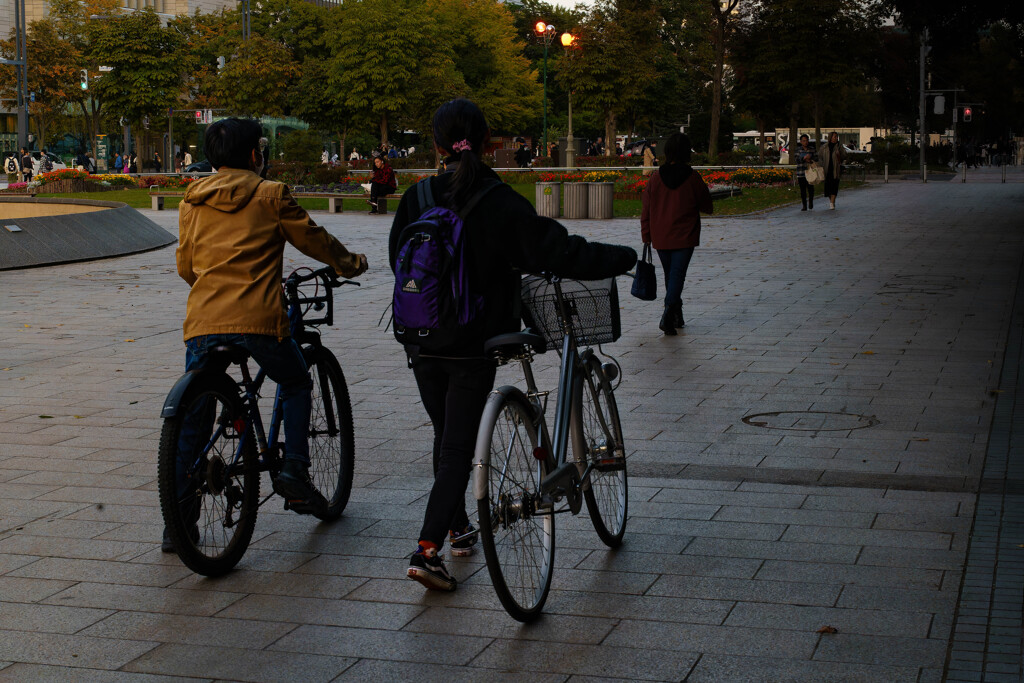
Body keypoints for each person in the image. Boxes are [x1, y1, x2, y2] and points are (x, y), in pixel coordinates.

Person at [389, 98, 636, 592]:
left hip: (419, 338)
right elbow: (559, 251)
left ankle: (459, 527)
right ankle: (427, 548)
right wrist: (622, 256)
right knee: (458, 443)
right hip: (473, 341)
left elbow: (398, 256)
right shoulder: (498, 199)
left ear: (436, 145)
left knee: (447, 435)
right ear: (486, 142)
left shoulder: (416, 198)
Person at [168, 117, 368, 552]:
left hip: (203, 321)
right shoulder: (270, 194)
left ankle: (178, 525)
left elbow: (186, 266)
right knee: (296, 379)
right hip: (259, 320)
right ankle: (294, 469)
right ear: (256, 154)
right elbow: (313, 240)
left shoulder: (191, 200)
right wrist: (349, 262)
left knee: (193, 417)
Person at [640, 132, 713, 336]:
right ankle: (667, 314)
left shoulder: (655, 178)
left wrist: (646, 235)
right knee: (677, 276)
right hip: (685, 235)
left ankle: (676, 315)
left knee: (671, 275)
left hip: (661, 236)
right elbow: (707, 205)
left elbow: (645, 210)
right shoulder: (692, 177)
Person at [820, 131, 845, 210]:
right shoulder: (824, 147)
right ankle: (831, 201)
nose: (836, 138)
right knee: (828, 188)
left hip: (835, 169)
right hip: (827, 169)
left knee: (834, 186)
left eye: (836, 137)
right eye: (834, 136)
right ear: (830, 137)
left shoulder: (839, 146)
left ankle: (832, 203)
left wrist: (840, 154)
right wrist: (821, 165)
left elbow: (845, 156)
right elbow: (820, 157)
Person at [794, 134, 817, 211]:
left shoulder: (812, 149)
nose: (805, 142)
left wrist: (810, 159)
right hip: (801, 172)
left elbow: (816, 158)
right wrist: (804, 158)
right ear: (801, 142)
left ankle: (811, 201)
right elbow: (796, 160)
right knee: (803, 190)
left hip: (810, 171)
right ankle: (804, 205)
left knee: (811, 189)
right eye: (804, 141)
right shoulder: (798, 150)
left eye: (806, 140)